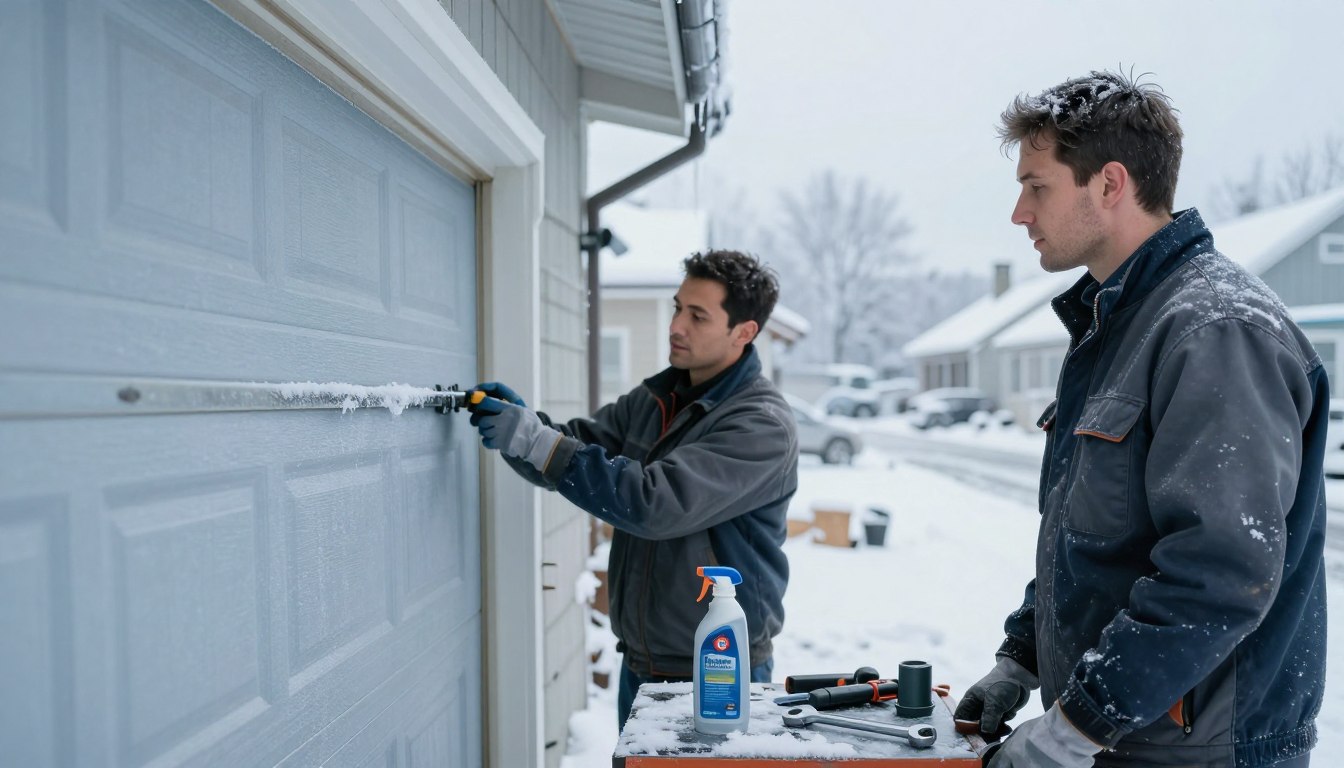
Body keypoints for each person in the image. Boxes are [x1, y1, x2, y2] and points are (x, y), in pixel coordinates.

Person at [955, 70, 1329, 768]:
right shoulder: (1120, 326)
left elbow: (1220, 571)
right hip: (1129, 738)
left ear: (1109, 184)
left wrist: (1076, 726)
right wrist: (1022, 658)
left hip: (1200, 750)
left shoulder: (1215, 330)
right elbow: (1095, 539)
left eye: (1036, 186)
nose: (1019, 213)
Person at [469, 249, 798, 728]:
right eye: (677, 307)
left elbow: (653, 503)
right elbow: (573, 452)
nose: (676, 326)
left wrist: (538, 443)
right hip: (642, 663)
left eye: (698, 316)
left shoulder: (760, 425)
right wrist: (524, 431)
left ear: (743, 332)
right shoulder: (654, 400)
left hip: (716, 670)